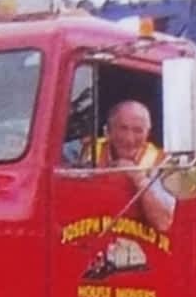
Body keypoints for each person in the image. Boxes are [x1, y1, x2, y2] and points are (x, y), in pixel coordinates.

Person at [74, 100, 175, 234]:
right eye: (123, 128)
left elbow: (163, 222)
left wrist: (138, 178)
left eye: (138, 130)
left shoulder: (160, 162)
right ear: (109, 129)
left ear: (148, 133)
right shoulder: (85, 150)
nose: (129, 139)